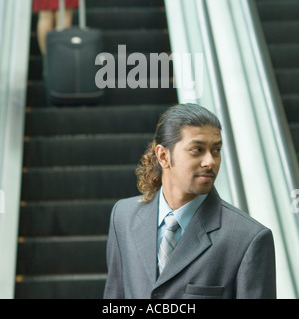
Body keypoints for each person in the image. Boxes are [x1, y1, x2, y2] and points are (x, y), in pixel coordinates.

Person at [103, 103, 277, 299]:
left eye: (216, 150)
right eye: (197, 149)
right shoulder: (123, 216)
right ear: (163, 156)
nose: (210, 161)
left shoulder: (249, 239)